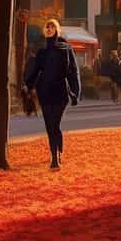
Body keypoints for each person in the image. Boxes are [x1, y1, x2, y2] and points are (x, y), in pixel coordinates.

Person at [23, 18, 81, 170]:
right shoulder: (42, 52)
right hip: (45, 92)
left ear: (57, 30)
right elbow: (35, 71)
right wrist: (27, 85)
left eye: (52, 27)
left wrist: (76, 92)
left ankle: (57, 154)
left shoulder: (66, 49)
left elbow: (73, 71)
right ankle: (55, 157)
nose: (49, 29)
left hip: (61, 92)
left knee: (55, 124)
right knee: (50, 126)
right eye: (47, 27)